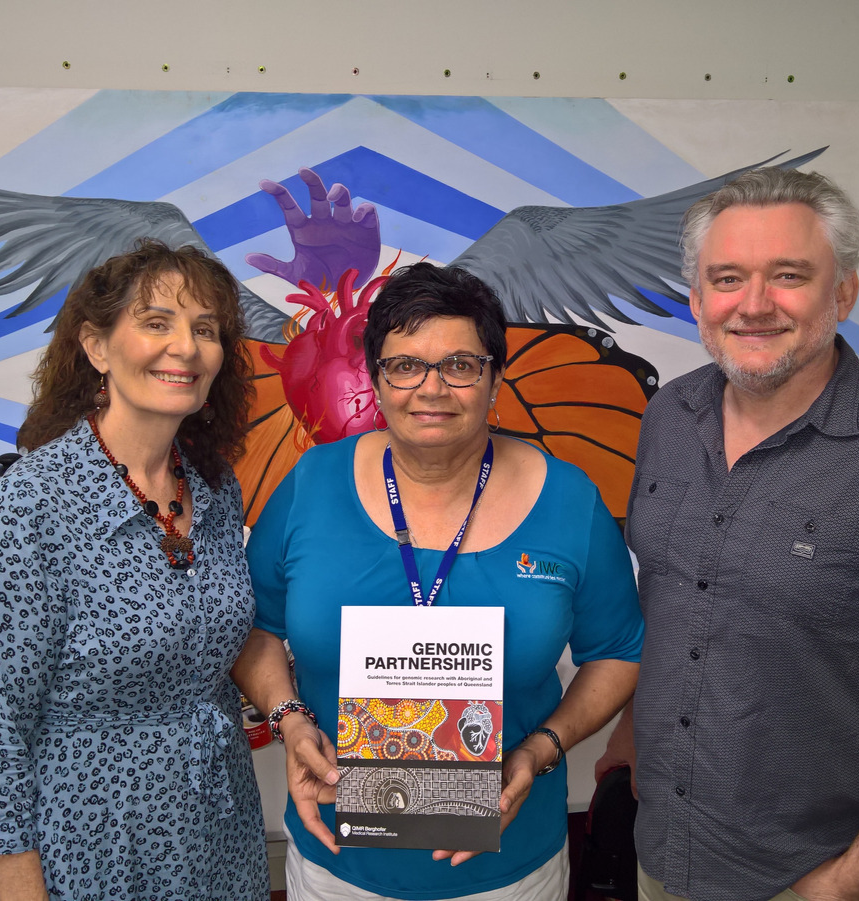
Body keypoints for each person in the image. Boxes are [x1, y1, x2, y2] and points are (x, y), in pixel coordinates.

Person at [232, 261, 644, 901]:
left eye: (460, 365)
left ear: (493, 378)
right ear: (376, 379)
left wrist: (540, 750)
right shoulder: (312, 484)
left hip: (510, 867)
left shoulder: (569, 500)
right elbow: (257, 628)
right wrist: (288, 721)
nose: (432, 388)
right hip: (337, 858)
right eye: (405, 365)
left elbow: (617, 651)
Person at [595, 167, 859, 901]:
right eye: (727, 278)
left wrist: (851, 880)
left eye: (788, 275)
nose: (754, 305)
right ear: (698, 300)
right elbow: (673, 596)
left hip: (815, 872)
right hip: (664, 849)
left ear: (842, 293)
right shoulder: (667, 415)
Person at [0, 240, 269, 900]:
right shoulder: (35, 498)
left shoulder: (213, 486)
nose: (186, 346)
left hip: (218, 831)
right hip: (89, 844)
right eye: (157, 321)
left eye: (205, 328)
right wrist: (13, 870)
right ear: (96, 347)